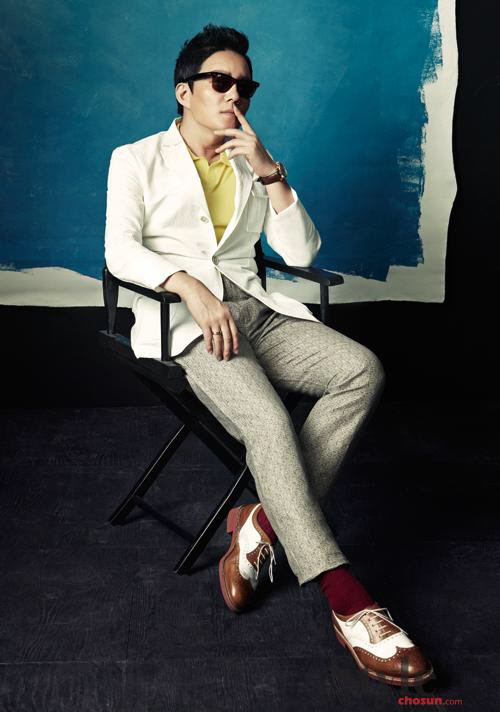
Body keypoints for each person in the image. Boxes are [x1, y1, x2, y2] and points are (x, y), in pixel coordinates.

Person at [104, 24, 433, 687]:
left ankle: (261, 522)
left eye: (245, 86)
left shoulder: (249, 162)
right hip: (190, 322)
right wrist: (188, 286)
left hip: (257, 310)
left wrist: (270, 172)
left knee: (361, 370)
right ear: (184, 90)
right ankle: (347, 599)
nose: (236, 95)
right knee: (269, 422)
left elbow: (303, 251)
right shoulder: (135, 158)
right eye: (221, 82)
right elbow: (119, 249)